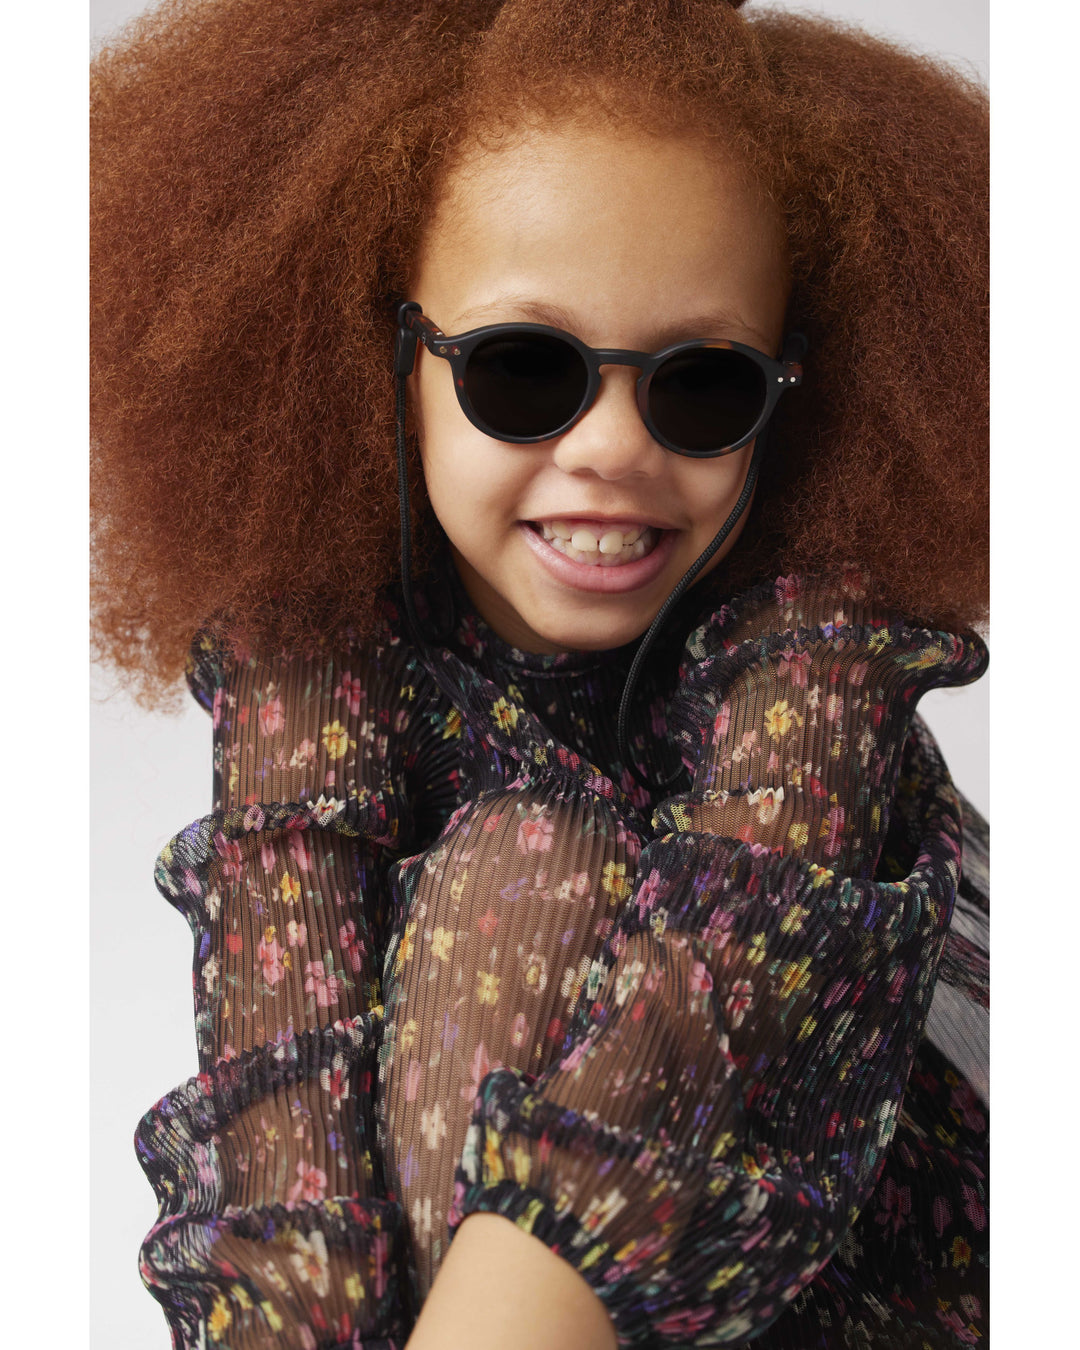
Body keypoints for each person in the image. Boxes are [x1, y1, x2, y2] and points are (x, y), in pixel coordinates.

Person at [90, 1, 989, 1346]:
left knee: (525, 868)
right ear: (391, 362)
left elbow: (708, 1028)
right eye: (524, 372)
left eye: (702, 386)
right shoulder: (315, 643)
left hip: (803, 1251)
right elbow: (285, 1113)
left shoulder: (815, 636)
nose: (613, 450)